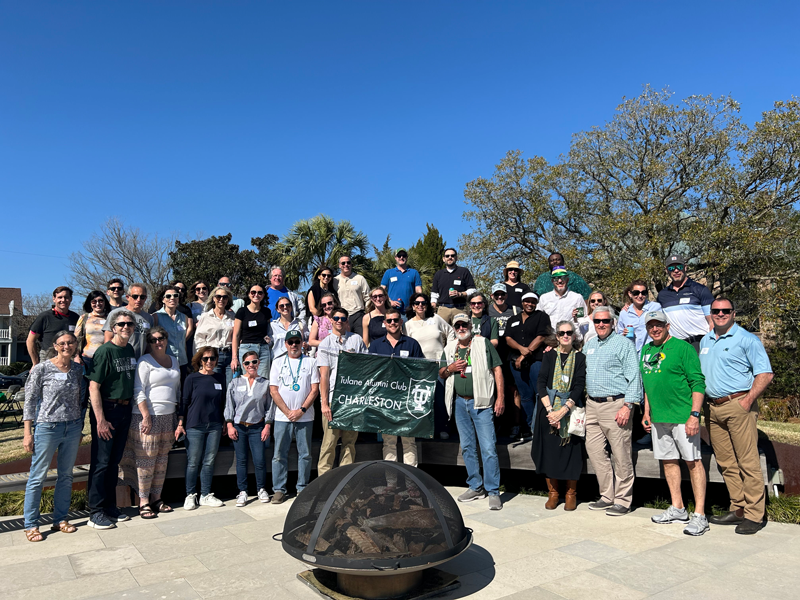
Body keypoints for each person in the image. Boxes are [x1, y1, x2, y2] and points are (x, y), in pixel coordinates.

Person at [700, 298, 774, 535]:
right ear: (711, 314)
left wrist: (747, 400)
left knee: (747, 461)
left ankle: (755, 514)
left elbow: (765, 373)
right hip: (712, 409)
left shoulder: (746, 339)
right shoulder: (706, 339)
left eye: (725, 311)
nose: (720, 314)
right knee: (727, 462)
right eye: (716, 311)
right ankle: (738, 507)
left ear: (733, 313)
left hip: (738, 405)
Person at [639, 311, 709, 535]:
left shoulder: (683, 348)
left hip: (682, 416)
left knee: (693, 462)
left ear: (667, 326)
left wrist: (694, 415)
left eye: (659, 325)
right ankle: (678, 507)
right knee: (668, 461)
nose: (655, 329)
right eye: (651, 325)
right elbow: (649, 381)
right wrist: (647, 411)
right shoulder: (647, 349)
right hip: (659, 418)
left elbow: (698, 382)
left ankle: (700, 515)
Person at [22, 330, 85, 541]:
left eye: (70, 343)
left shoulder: (77, 369)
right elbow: (30, 401)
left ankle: (60, 519)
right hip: (47, 428)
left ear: (75, 345)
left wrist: (80, 427)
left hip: (73, 427)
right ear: (56, 346)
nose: (67, 346)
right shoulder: (42, 369)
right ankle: (31, 524)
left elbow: (81, 399)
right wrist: (27, 433)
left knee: (66, 475)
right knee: (37, 476)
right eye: (62, 343)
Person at [439, 313, 505, 510]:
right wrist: (450, 368)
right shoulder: (450, 348)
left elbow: (497, 370)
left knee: (488, 448)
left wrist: (500, 398)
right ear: (454, 328)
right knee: (467, 447)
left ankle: (493, 491)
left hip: (482, 402)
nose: (461, 328)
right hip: (460, 403)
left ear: (470, 325)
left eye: (464, 324)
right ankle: (475, 486)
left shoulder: (482, 343)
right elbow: (441, 373)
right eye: (457, 325)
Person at [582, 305, 643, 516]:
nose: (601, 324)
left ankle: (623, 500)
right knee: (596, 452)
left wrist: (628, 405)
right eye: (597, 321)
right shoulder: (589, 345)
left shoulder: (623, 345)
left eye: (605, 321)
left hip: (616, 404)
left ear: (613, 322)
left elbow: (635, 376)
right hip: (592, 405)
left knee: (620, 454)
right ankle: (607, 495)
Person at [120, 326, 180, 519]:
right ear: (149, 343)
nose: (157, 342)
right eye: (153, 340)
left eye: (160, 338)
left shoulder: (175, 361)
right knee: (145, 461)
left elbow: (176, 390)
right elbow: (138, 389)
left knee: (161, 461)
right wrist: (146, 415)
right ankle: (143, 502)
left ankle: (156, 498)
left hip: (168, 417)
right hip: (147, 417)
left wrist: (177, 417)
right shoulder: (145, 362)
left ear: (166, 339)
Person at [86, 309, 138, 530]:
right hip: (107, 409)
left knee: (113, 462)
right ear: (113, 328)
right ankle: (95, 511)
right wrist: (100, 420)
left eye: (129, 324)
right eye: (121, 324)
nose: (125, 327)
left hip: (125, 410)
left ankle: (109, 506)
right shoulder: (105, 351)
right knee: (101, 462)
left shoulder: (131, 350)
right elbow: (94, 387)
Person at [534, 321, 586, 511]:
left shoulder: (580, 358)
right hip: (548, 410)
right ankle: (553, 493)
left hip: (570, 410)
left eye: (569, 332)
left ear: (574, 336)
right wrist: (550, 411)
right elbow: (541, 382)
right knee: (549, 452)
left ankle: (571, 493)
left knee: (571, 452)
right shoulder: (549, 356)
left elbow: (579, 385)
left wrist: (563, 411)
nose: (565, 335)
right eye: (562, 333)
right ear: (557, 336)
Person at [369, 308, 425, 466]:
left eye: (395, 320)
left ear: (401, 322)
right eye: (389, 321)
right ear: (384, 323)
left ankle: (411, 483)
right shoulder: (375, 346)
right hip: (385, 401)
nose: (392, 323)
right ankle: (391, 484)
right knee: (389, 443)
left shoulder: (412, 344)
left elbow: (421, 371)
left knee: (409, 442)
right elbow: (369, 372)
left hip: (407, 401)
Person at [317, 307, 368, 475]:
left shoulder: (356, 340)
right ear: (331, 320)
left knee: (349, 443)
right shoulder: (325, 344)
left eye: (343, 318)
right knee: (329, 443)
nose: (339, 320)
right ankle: (324, 482)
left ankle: (345, 482)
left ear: (347, 321)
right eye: (336, 318)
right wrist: (324, 404)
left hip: (353, 399)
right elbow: (324, 376)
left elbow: (365, 369)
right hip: (334, 399)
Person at [270, 330, 319, 503]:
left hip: (305, 416)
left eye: (297, 341)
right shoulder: (277, 362)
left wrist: (301, 410)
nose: (294, 345)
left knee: (305, 454)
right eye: (290, 342)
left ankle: (302, 488)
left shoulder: (311, 362)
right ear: (285, 344)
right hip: (283, 416)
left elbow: (314, 389)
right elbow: (273, 390)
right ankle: (279, 489)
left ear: (302, 343)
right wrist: (287, 412)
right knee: (279, 454)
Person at [178, 347, 226, 510]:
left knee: (209, 461)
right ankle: (190, 494)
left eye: (212, 358)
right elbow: (184, 402)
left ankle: (205, 494)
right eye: (205, 359)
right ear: (200, 360)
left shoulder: (220, 378)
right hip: (195, 425)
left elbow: (223, 402)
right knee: (193, 462)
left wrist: (225, 421)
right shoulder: (192, 378)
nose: (209, 362)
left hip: (215, 425)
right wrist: (180, 423)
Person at [225, 350, 273, 507]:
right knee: (241, 460)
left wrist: (267, 425)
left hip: (257, 426)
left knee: (259, 460)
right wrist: (229, 424)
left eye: (254, 362)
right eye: (247, 363)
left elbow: (269, 407)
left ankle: (261, 489)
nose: (251, 365)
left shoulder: (265, 383)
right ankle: (243, 491)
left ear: (259, 363)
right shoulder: (235, 382)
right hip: (239, 427)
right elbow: (229, 405)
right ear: (243, 365)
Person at [405, 292, 455, 439]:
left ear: (427, 305)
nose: (420, 305)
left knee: (440, 399)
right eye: (417, 303)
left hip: (439, 365)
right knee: (422, 400)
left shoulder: (436, 319)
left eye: (423, 303)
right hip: (419, 368)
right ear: (413, 306)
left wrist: (447, 351)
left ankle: (442, 428)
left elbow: (451, 332)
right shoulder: (407, 325)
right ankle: (424, 430)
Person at [504, 292, 551, 437]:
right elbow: (508, 338)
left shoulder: (542, 316)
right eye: (527, 301)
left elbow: (542, 336)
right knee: (524, 395)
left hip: (536, 360)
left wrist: (525, 354)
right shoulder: (513, 319)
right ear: (522, 302)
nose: (530, 304)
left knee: (539, 393)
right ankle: (529, 426)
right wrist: (521, 350)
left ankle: (540, 426)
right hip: (516, 362)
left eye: (533, 302)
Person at [656, 253, 714, 350]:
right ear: (667, 271)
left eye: (679, 266)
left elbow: (712, 321)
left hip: (700, 342)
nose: (676, 270)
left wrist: (712, 343)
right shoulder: (662, 295)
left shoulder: (700, 289)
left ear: (685, 267)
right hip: (675, 345)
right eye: (671, 268)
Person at [488, 283, 522, 438]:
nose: (500, 297)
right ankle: (496, 424)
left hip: (511, 355)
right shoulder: (486, 311)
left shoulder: (515, 310)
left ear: (506, 295)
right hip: (492, 355)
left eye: (502, 294)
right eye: (497, 295)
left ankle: (516, 424)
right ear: (492, 296)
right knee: (493, 391)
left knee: (512, 390)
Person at [27, 286, 80, 365]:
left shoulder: (76, 318)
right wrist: (35, 363)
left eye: (66, 297)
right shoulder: (45, 317)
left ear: (71, 299)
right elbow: (30, 340)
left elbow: (79, 340)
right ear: (54, 299)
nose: (63, 300)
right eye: (60, 297)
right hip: (48, 359)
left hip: (69, 360)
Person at [194, 285, 235, 385]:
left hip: (230, 355)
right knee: (214, 385)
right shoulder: (206, 317)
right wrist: (202, 359)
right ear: (213, 299)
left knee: (230, 387)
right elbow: (199, 339)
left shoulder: (233, 317)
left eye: (224, 297)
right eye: (218, 297)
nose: (221, 299)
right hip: (212, 356)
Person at [231, 283, 273, 380]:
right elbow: (236, 335)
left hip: (263, 349)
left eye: (260, 293)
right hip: (246, 348)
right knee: (248, 378)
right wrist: (234, 357)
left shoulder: (266, 312)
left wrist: (269, 339)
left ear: (263, 295)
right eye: (253, 292)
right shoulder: (242, 311)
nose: (256, 295)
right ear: (249, 294)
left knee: (263, 380)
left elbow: (269, 330)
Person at [102, 283, 154, 359]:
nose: (138, 300)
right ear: (127, 297)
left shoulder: (149, 318)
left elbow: (149, 344)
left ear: (145, 298)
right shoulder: (115, 314)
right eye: (135, 296)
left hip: (140, 361)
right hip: (120, 359)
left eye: (142, 297)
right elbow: (108, 339)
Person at [154, 285, 194, 379]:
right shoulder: (155, 317)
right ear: (163, 299)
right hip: (164, 362)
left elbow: (183, 341)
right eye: (168, 296)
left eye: (175, 295)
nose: (172, 298)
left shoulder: (184, 318)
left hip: (182, 362)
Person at [430, 249, 477, 325]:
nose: (450, 257)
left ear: (456, 258)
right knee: (441, 335)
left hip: (460, 309)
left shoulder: (464, 271)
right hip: (443, 309)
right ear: (443, 259)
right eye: (447, 256)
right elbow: (434, 294)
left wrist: (460, 294)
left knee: (462, 333)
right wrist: (432, 309)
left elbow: (473, 290)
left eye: (452, 255)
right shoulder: (439, 274)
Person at [617, 280, 662, 352]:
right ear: (630, 294)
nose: (640, 296)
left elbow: (664, 327)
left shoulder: (655, 307)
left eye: (643, 293)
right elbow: (619, 335)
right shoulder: (624, 313)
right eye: (636, 293)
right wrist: (623, 334)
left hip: (653, 351)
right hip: (633, 353)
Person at [538, 266, 588, 331]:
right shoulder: (544, 298)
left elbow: (582, 320)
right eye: (556, 278)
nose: (560, 281)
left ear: (567, 280)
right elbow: (537, 318)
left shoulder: (577, 298)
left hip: (569, 337)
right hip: (549, 338)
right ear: (552, 281)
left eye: (563, 278)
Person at [332, 255, 371, 336]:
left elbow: (368, 298)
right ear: (339, 265)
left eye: (348, 262)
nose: (346, 265)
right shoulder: (335, 281)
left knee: (361, 340)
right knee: (344, 341)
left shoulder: (360, 278)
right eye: (343, 263)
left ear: (351, 264)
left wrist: (367, 314)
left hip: (358, 315)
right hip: (342, 317)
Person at [75, 291, 111, 375]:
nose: (97, 303)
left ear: (105, 302)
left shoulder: (110, 318)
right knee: (85, 387)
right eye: (94, 301)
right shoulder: (84, 318)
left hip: (106, 359)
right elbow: (76, 339)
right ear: (90, 303)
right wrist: (76, 356)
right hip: (87, 359)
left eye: (100, 301)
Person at [381, 248, 422, 316]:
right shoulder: (389, 272)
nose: (401, 257)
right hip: (392, 311)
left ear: (407, 257)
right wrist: (389, 301)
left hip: (409, 311)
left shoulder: (414, 272)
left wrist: (418, 304)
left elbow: (418, 290)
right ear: (395, 258)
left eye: (404, 255)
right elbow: (382, 290)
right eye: (399, 255)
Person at [272, 297, 309, 362]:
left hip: (298, 360)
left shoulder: (300, 323)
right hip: (279, 362)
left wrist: (306, 345)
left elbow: (308, 340)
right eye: (281, 306)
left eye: (288, 305)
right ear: (277, 309)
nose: (285, 307)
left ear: (291, 308)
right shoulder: (272, 326)